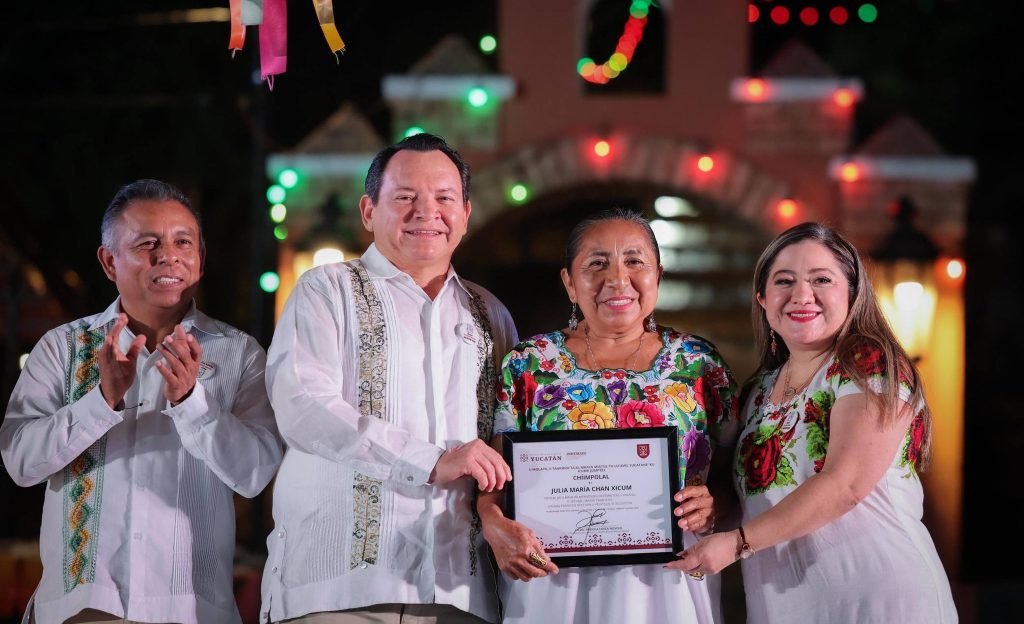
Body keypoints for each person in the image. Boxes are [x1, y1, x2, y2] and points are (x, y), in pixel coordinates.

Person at [260, 133, 518, 624]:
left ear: (465, 213)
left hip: (459, 592)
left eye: (444, 198)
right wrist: (431, 461)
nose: (427, 212)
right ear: (368, 210)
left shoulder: (491, 314)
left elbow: (509, 436)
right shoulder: (327, 290)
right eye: (405, 197)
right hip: (338, 587)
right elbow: (303, 407)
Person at [1, 179, 284, 624]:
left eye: (183, 242)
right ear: (108, 261)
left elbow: (255, 474)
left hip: (191, 608)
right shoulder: (63, 348)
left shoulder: (239, 353)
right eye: (147, 243)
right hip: (84, 608)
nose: (168, 256)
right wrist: (102, 400)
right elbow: (20, 462)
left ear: (200, 257)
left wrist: (192, 401)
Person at [674, 222, 958, 622]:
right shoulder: (758, 389)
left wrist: (736, 543)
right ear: (762, 297)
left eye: (821, 279)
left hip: (877, 598)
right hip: (786, 607)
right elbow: (747, 499)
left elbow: (845, 486)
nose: (801, 295)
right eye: (784, 281)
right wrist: (708, 509)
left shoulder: (869, 365)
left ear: (853, 293)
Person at [478, 208, 739, 624]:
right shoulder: (529, 363)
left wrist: (714, 505)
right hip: (555, 579)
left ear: (658, 275)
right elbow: (496, 476)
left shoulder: (698, 362)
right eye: (597, 264)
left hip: (668, 579)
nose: (617, 279)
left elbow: (731, 475)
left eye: (635, 261)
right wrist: (492, 522)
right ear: (569, 282)